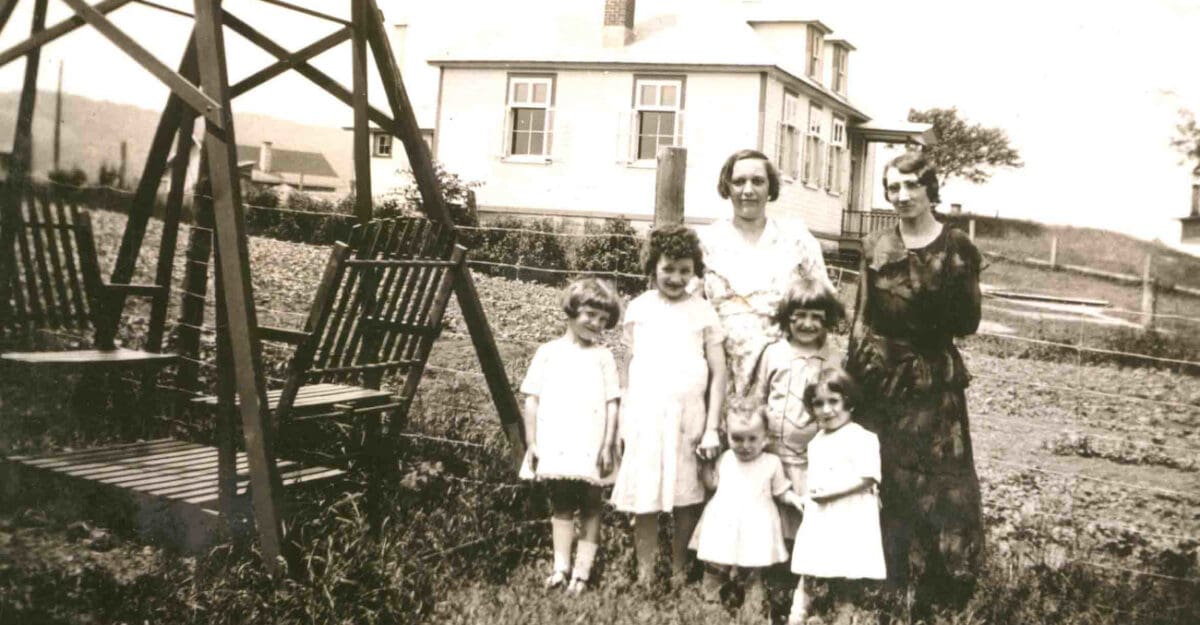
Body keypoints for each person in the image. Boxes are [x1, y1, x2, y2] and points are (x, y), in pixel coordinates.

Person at [845, 149, 984, 612]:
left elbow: (967, 322)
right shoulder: (876, 245)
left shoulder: (957, 246)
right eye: (893, 188)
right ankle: (885, 586)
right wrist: (853, 380)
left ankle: (940, 593)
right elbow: (862, 317)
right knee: (887, 480)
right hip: (882, 380)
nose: (902, 196)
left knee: (942, 484)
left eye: (911, 186)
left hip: (933, 382)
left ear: (929, 189)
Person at [611, 224, 727, 586]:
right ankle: (645, 571)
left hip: (688, 417)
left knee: (686, 495)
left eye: (684, 270)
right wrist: (624, 415)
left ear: (695, 272)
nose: (676, 277)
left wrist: (710, 426)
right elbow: (628, 363)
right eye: (668, 269)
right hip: (645, 414)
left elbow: (719, 371)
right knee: (644, 491)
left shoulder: (703, 312)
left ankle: (679, 567)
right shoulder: (640, 307)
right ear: (652, 267)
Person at [700, 149, 832, 417]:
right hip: (721, 371)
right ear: (726, 186)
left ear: (770, 187)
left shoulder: (795, 238)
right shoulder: (706, 241)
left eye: (758, 181)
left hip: (785, 373)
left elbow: (825, 300)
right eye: (739, 182)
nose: (748, 190)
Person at [519, 277, 623, 594]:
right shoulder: (548, 353)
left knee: (592, 503)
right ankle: (560, 568)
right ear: (573, 310)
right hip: (558, 442)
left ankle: (582, 573)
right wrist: (532, 442)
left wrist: (608, 445)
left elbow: (612, 404)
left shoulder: (603, 356)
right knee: (561, 502)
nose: (597, 324)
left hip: (593, 443)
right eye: (591, 315)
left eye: (604, 320)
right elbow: (532, 400)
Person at [749, 277, 846, 540]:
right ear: (786, 318)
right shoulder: (773, 353)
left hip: (812, 455)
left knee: (805, 511)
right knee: (770, 507)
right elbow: (759, 395)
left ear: (827, 320)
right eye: (799, 316)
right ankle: (769, 558)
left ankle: (800, 563)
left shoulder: (834, 358)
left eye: (816, 317)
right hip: (774, 450)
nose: (807, 323)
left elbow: (841, 405)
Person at [788, 367, 886, 625]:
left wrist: (830, 494)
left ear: (850, 403)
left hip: (849, 514)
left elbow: (868, 476)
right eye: (818, 404)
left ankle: (844, 616)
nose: (826, 410)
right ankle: (798, 615)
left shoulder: (862, 437)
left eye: (834, 401)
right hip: (822, 515)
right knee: (810, 567)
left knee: (846, 572)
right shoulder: (817, 440)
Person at [690, 404, 805, 617]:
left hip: (757, 525)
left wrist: (795, 499)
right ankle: (710, 610)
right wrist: (704, 463)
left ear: (766, 438)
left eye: (753, 439)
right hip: (724, 522)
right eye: (738, 438)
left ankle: (753, 613)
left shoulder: (771, 462)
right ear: (728, 436)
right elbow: (712, 484)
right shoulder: (725, 459)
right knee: (716, 567)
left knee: (754, 572)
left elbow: (780, 491)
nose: (745, 445)